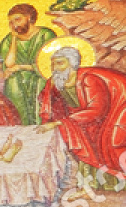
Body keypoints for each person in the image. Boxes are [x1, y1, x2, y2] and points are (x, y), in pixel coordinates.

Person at [42, 50, 126, 178]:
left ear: (73, 64)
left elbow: (97, 110)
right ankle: (90, 186)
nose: (55, 68)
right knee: (85, 144)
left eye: (60, 63)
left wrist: (61, 122)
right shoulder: (57, 81)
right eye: (53, 64)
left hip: (118, 109)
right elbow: (51, 105)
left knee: (113, 144)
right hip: (85, 118)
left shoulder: (89, 79)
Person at [0, 4, 58, 124]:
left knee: (41, 84)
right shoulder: (8, 40)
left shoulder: (46, 35)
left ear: (29, 17)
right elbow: (9, 65)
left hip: (41, 75)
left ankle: (41, 126)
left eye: (18, 19)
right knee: (13, 83)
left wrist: (20, 67)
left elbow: (47, 65)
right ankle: (22, 128)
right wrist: (14, 39)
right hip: (19, 77)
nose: (14, 24)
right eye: (11, 22)